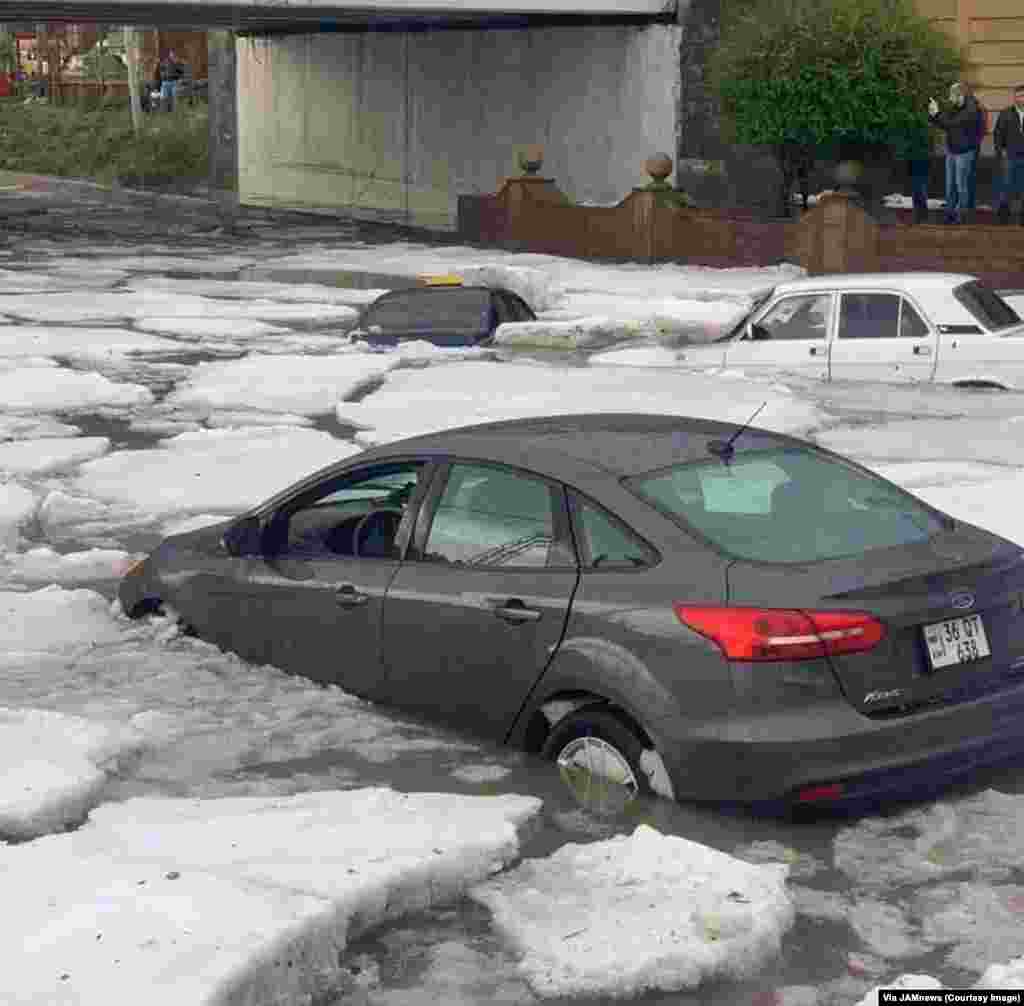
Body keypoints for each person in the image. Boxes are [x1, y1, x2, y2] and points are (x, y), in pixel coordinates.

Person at [928, 82, 982, 224]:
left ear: (960, 95)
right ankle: (949, 214)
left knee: (961, 186)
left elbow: (954, 124)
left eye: (952, 95)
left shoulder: (972, 108)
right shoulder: (955, 107)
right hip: (952, 151)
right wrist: (933, 115)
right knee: (950, 186)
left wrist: (938, 114)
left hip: (964, 153)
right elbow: (946, 124)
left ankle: (961, 216)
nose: (949, 97)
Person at [993, 83, 1024, 225]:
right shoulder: (1006, 113)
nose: (1021, 98)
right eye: (1018, 96)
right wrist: (1000, 152)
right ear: (1014, 97)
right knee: (1006, 185)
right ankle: (1003, 216)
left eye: (1023, 96)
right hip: (1009, 156)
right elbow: (998, 134)